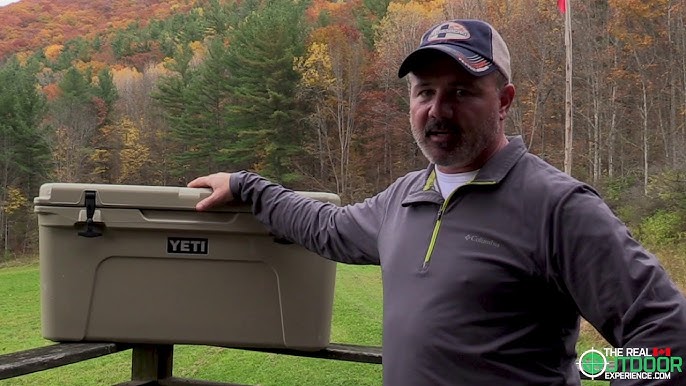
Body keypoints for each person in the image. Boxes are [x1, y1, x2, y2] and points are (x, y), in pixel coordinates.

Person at [188, 19, 686, 386]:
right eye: (424, 92)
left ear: (504, 100)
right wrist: (248, 185)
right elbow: (328, 228)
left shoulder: (558, 207)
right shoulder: (405, 197)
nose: (438, 110)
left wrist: (586, 374)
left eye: (462, 92)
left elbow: (669, 340)